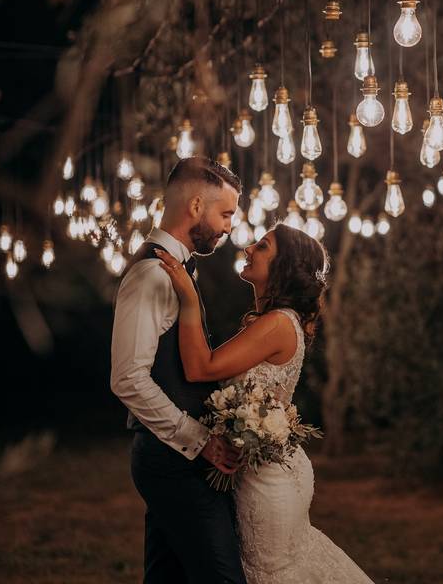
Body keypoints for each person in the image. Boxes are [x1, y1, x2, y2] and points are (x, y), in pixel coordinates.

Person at [156, 223, 373, 584]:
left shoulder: (276, 323)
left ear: (283, 266)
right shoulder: (278, 322)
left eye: (263, 246)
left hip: (268, 483)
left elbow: (200, 368)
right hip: (271, 470)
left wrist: (189, 299)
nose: (248, 248)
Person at [111, 157, 246, 583]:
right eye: (225, 213)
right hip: (171, 461)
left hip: (176, 460)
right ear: (194, 207)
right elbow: (127, 378)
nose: (229, 227)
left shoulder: (178, 269)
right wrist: (200, 440)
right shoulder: (152, 274)